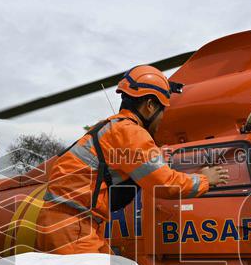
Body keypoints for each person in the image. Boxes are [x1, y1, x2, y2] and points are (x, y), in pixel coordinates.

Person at [36, 65, 229, 254]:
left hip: (70, 223)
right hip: (73, 226)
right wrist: (205, 179)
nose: (162, 119)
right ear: (150, 106)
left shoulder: (111, 128)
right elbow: (164, 184)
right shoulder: (131, 133)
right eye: (162, 111)